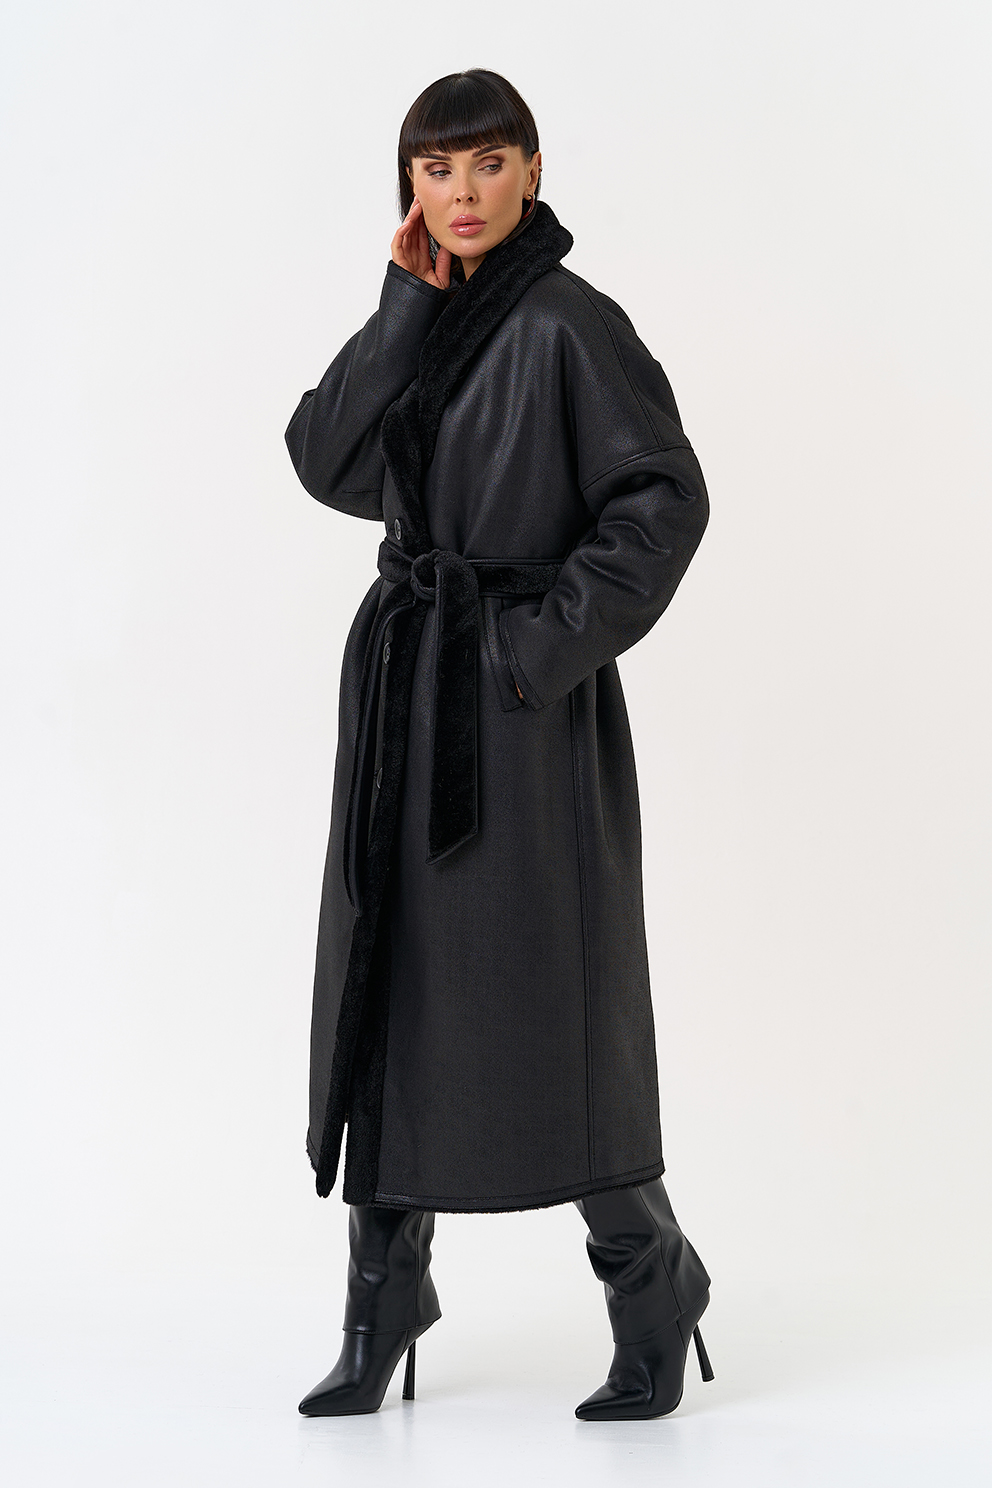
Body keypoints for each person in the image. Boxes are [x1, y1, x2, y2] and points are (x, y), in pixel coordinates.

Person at [284, 68, 713, 1421]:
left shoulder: (573, 324)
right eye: (435, 170)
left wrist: (532, 653)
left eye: (486, 164)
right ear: (408, 189)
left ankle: (652, 1282)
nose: (461, 194)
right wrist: (399, 307)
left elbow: (663, 500)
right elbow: (325, 460)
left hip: (521, 719)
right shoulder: (431, 317)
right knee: (389, 988)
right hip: (407, 699)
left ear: (532, 170)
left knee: (551, 1004)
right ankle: (383, 1297)